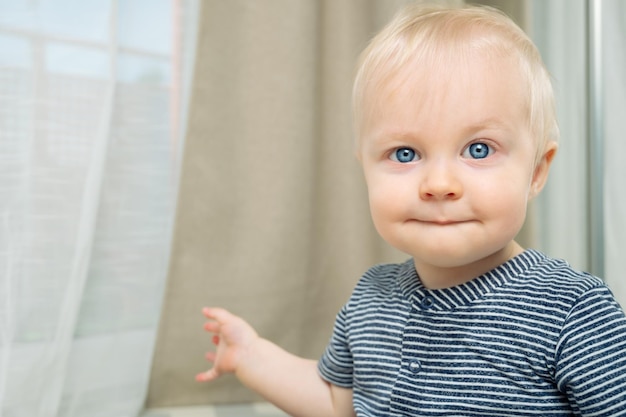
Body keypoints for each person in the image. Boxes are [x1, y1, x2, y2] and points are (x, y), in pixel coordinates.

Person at [195, 4, 626, 416]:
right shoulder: (371, 299)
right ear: (365, 169)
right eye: (405, 154)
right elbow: (338, 405)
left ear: (535, 171)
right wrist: (251, 357)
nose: (439, 184)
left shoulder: (573, 312)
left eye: (478, 149)